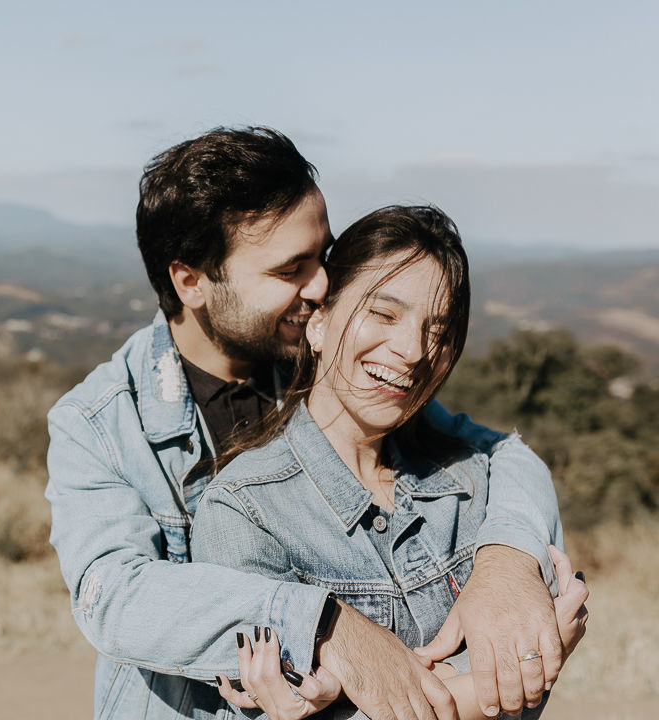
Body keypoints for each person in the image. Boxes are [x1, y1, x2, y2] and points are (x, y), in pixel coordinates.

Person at [46, 127, 564, 720]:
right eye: (291, 268)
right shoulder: (100, 422)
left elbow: (497, 455)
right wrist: (322, 623)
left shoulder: (320, 363)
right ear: (192, 282)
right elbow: (113, 598)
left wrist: (508, 562)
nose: (321, 285)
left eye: (323, 253)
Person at [190, 206, 589, 719]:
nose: (413, 350)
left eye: (439, 330)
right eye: (384, 314)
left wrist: (511, 582)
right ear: (319, 321)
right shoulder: (245, 511)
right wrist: (529, 661)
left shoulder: (470, 482)